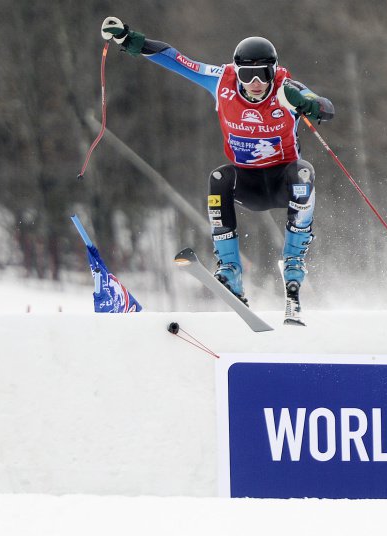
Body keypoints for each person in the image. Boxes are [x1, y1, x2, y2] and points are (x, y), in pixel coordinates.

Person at [100, 17, 335, 326]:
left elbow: (327, 108)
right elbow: (176, 59)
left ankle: (293, 262)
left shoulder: (285, 89)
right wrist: (130, 39)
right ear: (236, 72)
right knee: (218, 177)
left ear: (273, 70)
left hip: (282, 180)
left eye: (263, 74)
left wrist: (308, 103)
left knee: (304, 173)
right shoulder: (221, 82)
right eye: (247, 75)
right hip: (247, 183)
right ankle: (230, 270)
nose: (256, 83)